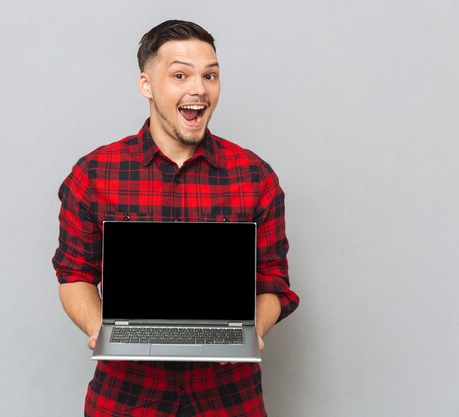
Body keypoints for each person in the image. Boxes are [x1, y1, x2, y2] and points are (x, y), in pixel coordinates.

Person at [53, 19, 300, 417]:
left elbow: (273, 281)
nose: (198, 88)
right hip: (127, 397)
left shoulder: (255, 176)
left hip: (228, 399)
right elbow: (75, 274)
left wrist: (250, 332)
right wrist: (99, 328)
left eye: (210, 75)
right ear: (147, 85)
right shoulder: (94, 174)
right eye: (180, 75)